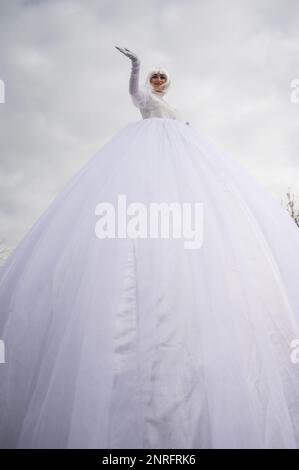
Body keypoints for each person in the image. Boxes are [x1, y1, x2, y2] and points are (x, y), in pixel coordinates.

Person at [0, 46, 299, 449]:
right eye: (154, 77)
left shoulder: (174, 113)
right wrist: (136, 67)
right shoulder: (145, 103)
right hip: (145, 164)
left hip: (179, 168)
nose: (157, 82)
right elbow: (132, 93)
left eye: (161, 78)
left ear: (168, 84)